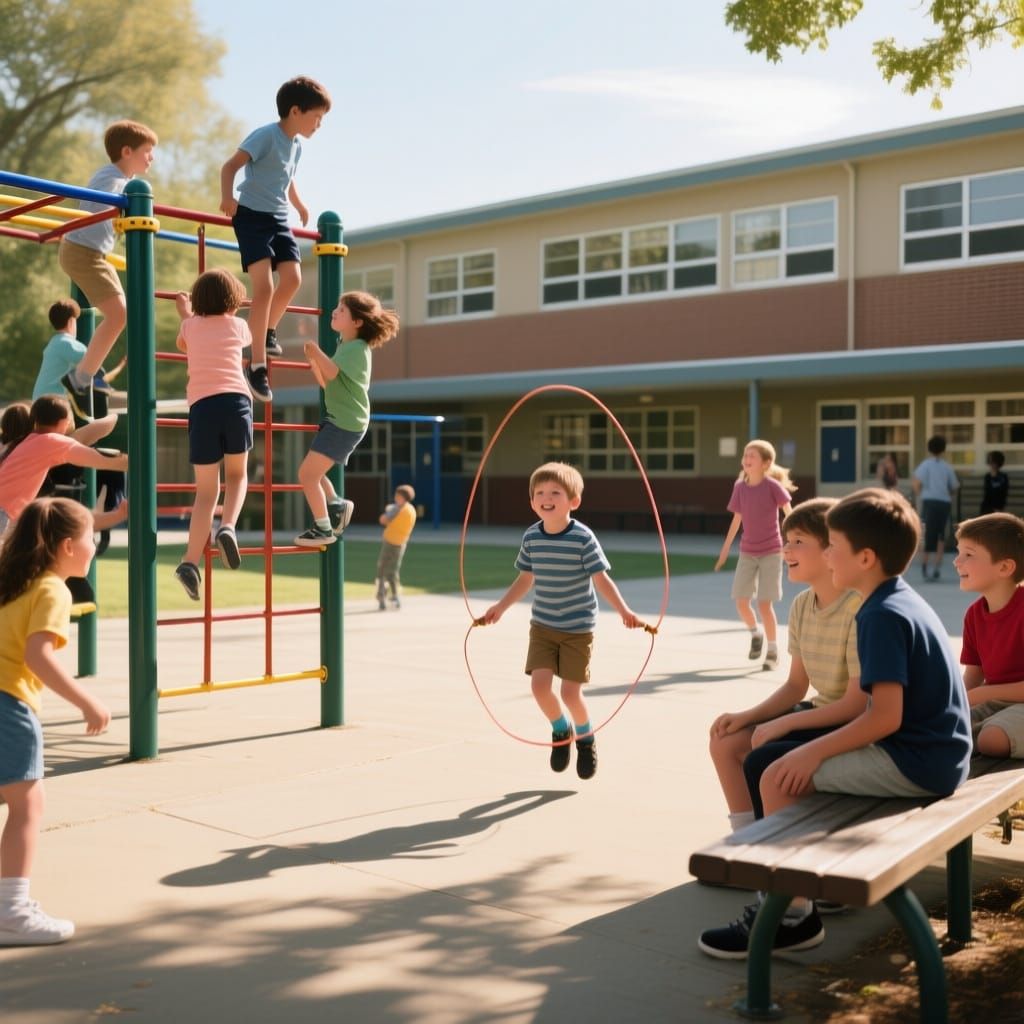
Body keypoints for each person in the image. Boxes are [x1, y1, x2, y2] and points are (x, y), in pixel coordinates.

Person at [703, 488, 970, 960]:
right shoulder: (891, 599)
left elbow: (883, 716)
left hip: (919, 760)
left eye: (833, 548)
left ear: (864, 558)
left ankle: (792, 918)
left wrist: (809, 751)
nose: (826, 555)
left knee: (777, 775)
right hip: (930, 751)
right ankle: (786, 882)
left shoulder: (880, 615)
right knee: (774, 763)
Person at [707, 498, 863, 834]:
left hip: (850, 723)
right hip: (820, 712)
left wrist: (784, 723)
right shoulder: (802, 605)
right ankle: (745, 836)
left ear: (831, 550)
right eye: (786, 540)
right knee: (726, 740)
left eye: (798, 541)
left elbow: (856, 704)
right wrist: (747, 716)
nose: (785, 549)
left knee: (765, 758)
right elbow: (796, 685)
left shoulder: (858, 608)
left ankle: (769, 845)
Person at [483, 462, 644, 780]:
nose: (546, 498)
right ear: (532, 501)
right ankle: (561, 729)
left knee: (571, 693)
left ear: (574, 501)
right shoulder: (532, 536)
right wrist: (500, 607)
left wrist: (624, 611)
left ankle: (585, 738)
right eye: (540, 492)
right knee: (539, 687)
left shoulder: (583, 538)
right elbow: (525, 579)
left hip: (577, 628)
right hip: (543, 626)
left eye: (555, 492)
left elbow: (601, 580)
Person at [0, 498, 111, 945]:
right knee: (29, 807)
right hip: (10, 705)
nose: (93, 546)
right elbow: (37, 656)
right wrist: (87, 702)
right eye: (90, 537)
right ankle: (11, 912)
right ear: (67, 546)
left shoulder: (15, 585)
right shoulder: (53, 590)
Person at [220, 76, 332, 403]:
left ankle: (267, 329)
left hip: (279, 218)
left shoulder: (296, 146)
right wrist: (227, 197)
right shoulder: (266, 135)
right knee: (265, 287)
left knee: (293, 279)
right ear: (295, 111)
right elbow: (230, 166)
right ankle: (256, 365)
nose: (319, 124)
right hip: (252, 217)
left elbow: (288, 178)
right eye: (316, 117)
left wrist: (299, 205)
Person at [57, 120, 158, 419]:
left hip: (90, 252)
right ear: (127, 152)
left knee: (121, 312)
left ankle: (90, 372)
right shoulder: (113, 180)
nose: (152, 157)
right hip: (83, 253)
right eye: (147, 151)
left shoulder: (117, 178)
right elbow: (100, 207)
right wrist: (125, 208)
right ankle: (81, 378)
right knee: (119, 314)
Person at [171, 269, 254, 601]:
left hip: (202, 407)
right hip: (236, 403)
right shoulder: (239, 326)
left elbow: (184, 344)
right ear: (233, 302)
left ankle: (190, 562)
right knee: (237, 475)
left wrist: (186, 314)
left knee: (206, 493)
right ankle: (228, 527)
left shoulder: (190, 326)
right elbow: (244, 340)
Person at [295, 291, 398, 547]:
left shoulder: (357, 348)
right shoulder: (346, 347)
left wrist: (316, 352)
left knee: (307, 475)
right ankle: (336, 504)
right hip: (343, 420)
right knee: (312, 472)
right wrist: (314, 362)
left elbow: (330, 371)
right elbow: (327, 381)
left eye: (342, 310)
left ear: (357, 322)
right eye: (337, 308)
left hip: (345, 422)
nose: (335, 312)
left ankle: (323, 528)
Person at [714, 439, 796, 670]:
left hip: (771, 551)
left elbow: (790, 515)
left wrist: (793, 543)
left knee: (764, 604)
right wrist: (725, 550)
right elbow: (736, 519)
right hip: (747, 552)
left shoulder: (772, 486)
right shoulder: (740, 487)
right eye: (745, 455)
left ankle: (772, 650)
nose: (747, 459)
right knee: (741, 602)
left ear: (766, 463)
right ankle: (755, 633)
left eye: (752, 456)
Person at [0, 396, 127, 543]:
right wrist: (136, 462)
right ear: (64, 422)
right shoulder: (53, 442)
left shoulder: (31, 442)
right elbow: (99, 460)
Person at [953, 513, 1024, 758]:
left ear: (1004, 567)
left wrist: (982, 694)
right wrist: (953, 704)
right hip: (996, 704)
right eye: (958, 552)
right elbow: (973, 677)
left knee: (991, 739)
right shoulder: (973, 615)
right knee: (941, 729)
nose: (956, 561)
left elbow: (980, 691)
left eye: (968, 554)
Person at [911, 435, 959, 581]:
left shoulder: (926, 465)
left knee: (927, 534)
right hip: (944, 503)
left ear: (929, 448)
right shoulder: (947, 467)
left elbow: (916, 482)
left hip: (929, 501)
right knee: (940, 535)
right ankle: (936, 567)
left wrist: (920, 494)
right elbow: (955, 486)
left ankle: (925, 566)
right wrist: (947, 494)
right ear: (943, 449)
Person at [32, 300, 85, 401]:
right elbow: (92, 358)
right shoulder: (68, 344)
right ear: (71, 322)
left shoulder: (54, 343)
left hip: (39, 398)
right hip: (51, 401)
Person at [376, 484, 417, 611]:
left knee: (382, 569)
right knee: (393, 571)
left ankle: (382, 596)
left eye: (397, 496)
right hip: (401, 544)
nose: (395, 497)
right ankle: (395, 595)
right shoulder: (411, 510)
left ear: (402, 497)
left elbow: (383, 520)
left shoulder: (398, 509)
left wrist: (387, 513)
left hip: (390, 542)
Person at [981, 451, 1009, 515]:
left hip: (999, 506)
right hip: (987, 507)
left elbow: (1003, 493)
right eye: (990, 462)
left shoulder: (1003, 477)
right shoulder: (988, 476)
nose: (991, 464)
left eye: (993, 462)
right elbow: (987, 493)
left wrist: (998, 508)